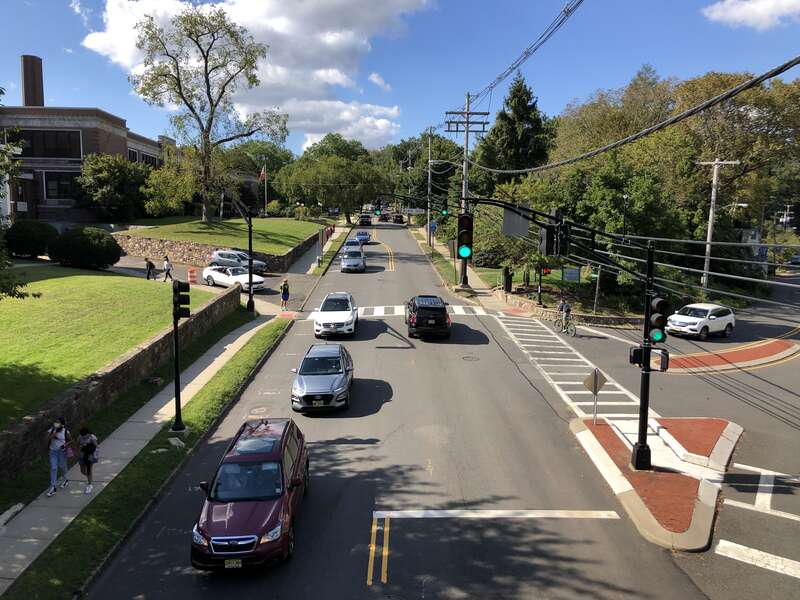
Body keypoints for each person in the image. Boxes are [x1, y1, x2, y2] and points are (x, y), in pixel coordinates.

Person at [46, 417, 71, 497]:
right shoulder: (51, 430)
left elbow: (70, 440)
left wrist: (65, 445)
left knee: (62, 466)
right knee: (53, 468)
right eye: (55, 422)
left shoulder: (65, 431)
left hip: (62, 452)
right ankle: (53, 487)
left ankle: (65, 479)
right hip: (53, 451)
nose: (56, 423)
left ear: (62, 424)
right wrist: (54, 432)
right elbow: (46, 438)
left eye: (58, 422)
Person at [77, 427, 99, 494]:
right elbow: (78, 444)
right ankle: (90, 478)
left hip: (90, 455)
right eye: (82, 435)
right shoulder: (80, 437)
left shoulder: (92, 437)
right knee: (82, 471)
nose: (83, 436)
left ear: (88, 434)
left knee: (89, 469)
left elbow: (96, 446)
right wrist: (80, 448)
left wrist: (88, 446)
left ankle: (89, 485)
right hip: (82, 455)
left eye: (85, 435)